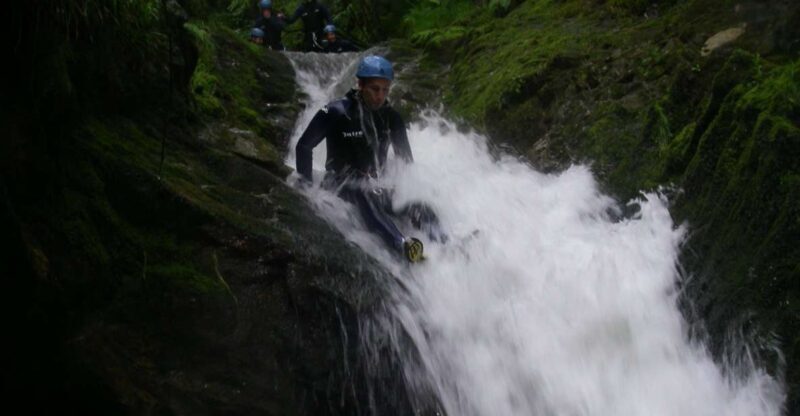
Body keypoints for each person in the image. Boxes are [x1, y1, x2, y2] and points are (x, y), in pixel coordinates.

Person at [295, 56, 446, 263]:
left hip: (376, 184)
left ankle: (446, 244)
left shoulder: (391, 118)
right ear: (360, 84)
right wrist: (305, 187)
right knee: (364, 194)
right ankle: (401, 245)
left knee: (418, 206)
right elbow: (304, 146)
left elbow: (405, 162)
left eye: (385, 90)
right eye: (375, 89)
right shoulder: (336, 111)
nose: (380, 96)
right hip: (339, 184)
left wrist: (405, 189)